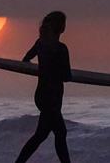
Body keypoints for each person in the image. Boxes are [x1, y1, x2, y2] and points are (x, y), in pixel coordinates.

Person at [15, 11, 72, 163]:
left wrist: (43, 69)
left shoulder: (40, 44)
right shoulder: (61, 49)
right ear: (61, 27)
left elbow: (26, 59)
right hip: (53, 98)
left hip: (41, 95)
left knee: (41, 135)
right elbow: (67, 76)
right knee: (60, 132)